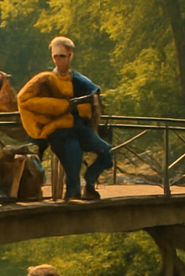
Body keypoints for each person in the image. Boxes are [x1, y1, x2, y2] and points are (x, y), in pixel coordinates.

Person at [17, 36, 113, 201]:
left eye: (62, 56)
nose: (58, 60)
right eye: (56, 56)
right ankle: (72, 194)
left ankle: (89, 183)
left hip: (78, 127)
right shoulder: (45, 80)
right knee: (72, 153)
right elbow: (23, 99)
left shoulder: (78, 80)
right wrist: (59, 106)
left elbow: (94, 96)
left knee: (107, 152)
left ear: (70, 56)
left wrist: (86, 108)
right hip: (57, 129)